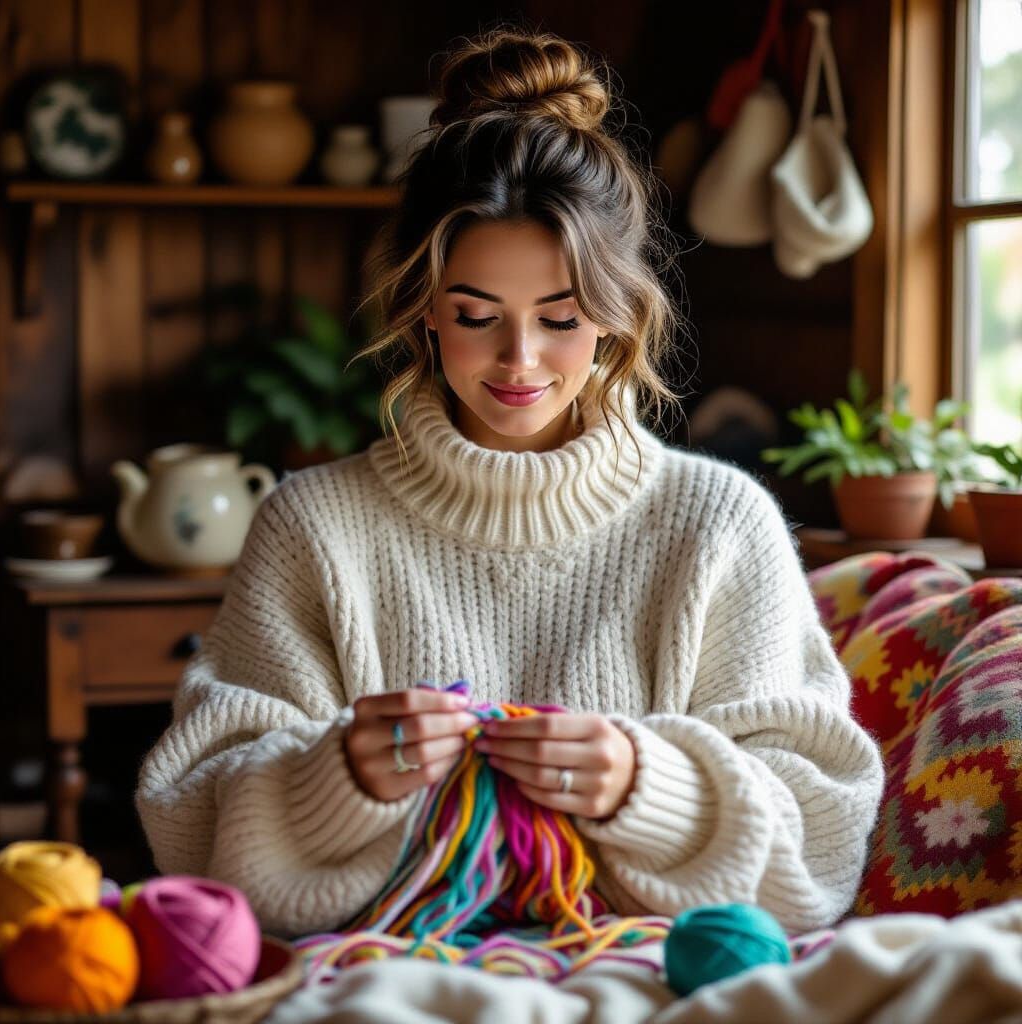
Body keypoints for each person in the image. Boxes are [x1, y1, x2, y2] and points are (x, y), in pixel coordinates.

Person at [135, 26, 884, 940]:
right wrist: (336, 778)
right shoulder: (314, 528)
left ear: (616, 318)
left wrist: (647, 786)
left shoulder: (719, 525)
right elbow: (187, 819)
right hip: (381, 983)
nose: (519, 361)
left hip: (654, 987)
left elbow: (824, 836)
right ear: (422, 314)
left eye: (561, 318)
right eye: (475, 315)